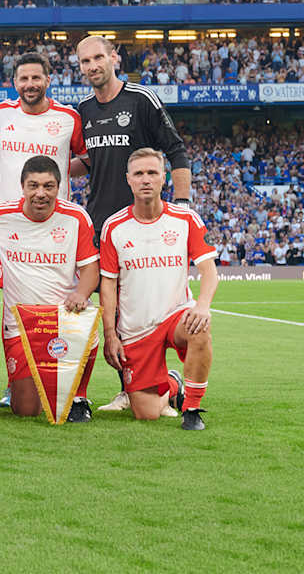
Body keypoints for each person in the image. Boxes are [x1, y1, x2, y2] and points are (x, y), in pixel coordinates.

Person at [73, 35, 192, 413]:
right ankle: (132, 386)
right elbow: (89, 162)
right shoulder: (84, 109)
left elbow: (175, 149)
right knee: (110, 311)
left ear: (113, 58)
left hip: (142, 227)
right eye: (84, 61)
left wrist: (184, 207)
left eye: (97, 58)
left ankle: (161, 382)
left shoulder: (140, 100)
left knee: (141, 310)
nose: (92, 66)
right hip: (99, 225)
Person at [99, 148, 218, 431]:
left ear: (163, 178)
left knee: (199, 328)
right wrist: (109, 334)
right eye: (139, 174)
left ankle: (192, 408)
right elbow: (108, 284)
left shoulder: (185, 220)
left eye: (152, 173)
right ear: (128, 179)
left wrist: (202, 305)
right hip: (136, 329)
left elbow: (209, 271)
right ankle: (173, 383)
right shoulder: (113, 227)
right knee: (147, 413)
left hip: (176, 315)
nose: (146, 180)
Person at [0, 155, 101, 422]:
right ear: (22, 186)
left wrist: (81, 293)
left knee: (89, 324)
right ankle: (38, 384)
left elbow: (91, 269)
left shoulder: (76, 218)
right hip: (21, 324)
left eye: (49, 186)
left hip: (63, 318)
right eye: (33, 185)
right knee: (25, 409)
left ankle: (78, 395)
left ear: (59, 186)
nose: (41, 193)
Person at [0, 52, 86, 203]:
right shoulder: (0, 113)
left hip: (54, 215)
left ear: (48, 80)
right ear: (15, 82)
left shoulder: (69, 118)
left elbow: (89, 162)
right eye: (24, 79)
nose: (30, 85)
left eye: (36, 78)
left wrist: (59, 169)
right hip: (9, 216)